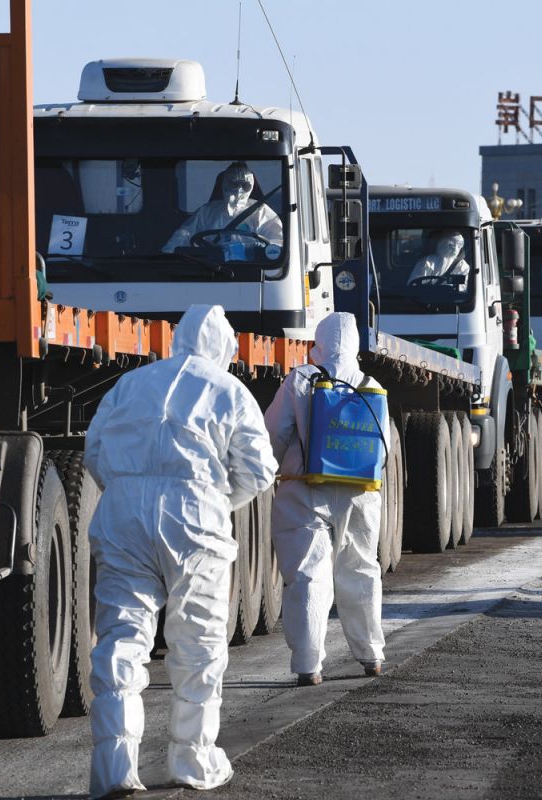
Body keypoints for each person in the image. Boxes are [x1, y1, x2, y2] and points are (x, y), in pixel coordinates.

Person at [84, 304, 277, 798]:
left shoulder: (130, 384)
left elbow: (95, 451)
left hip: (123, 512)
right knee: (199, 645)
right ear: (225, 348)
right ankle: (192, 761)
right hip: (196, 518)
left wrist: (128, 490)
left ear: (177, 339)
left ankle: (114, 768)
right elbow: (258, 470)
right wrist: (214, 500)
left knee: (122, 639)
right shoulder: (230, 391)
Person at [264, 312, 386, 687]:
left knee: (307, 575)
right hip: (360, 494)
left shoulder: (301, 379)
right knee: (361, 569)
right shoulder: (371, 384)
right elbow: (383, 447)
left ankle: (308, 665)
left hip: (305, 490)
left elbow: (274, 431)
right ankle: (372, 655)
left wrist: (264, 472)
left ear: (318, 341)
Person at [162, 161, 284, 257]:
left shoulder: (261, 212)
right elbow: (183, 235)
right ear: (224, 184)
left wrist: (257, 251)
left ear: (251, 187)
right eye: (234, 184)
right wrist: (168, 257)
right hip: (209, 271)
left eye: (244, 185)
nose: (239, 190)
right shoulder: (206, 212)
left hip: (252, 272)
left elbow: (278, 243)